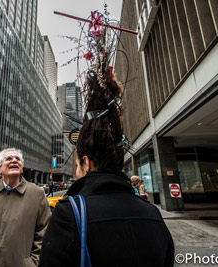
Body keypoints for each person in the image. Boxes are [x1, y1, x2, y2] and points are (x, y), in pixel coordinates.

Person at [39, 11, 174, 265]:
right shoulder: (152, 215)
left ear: (87, 162)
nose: (77, 169)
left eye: (78, 164)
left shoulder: (70, 214)